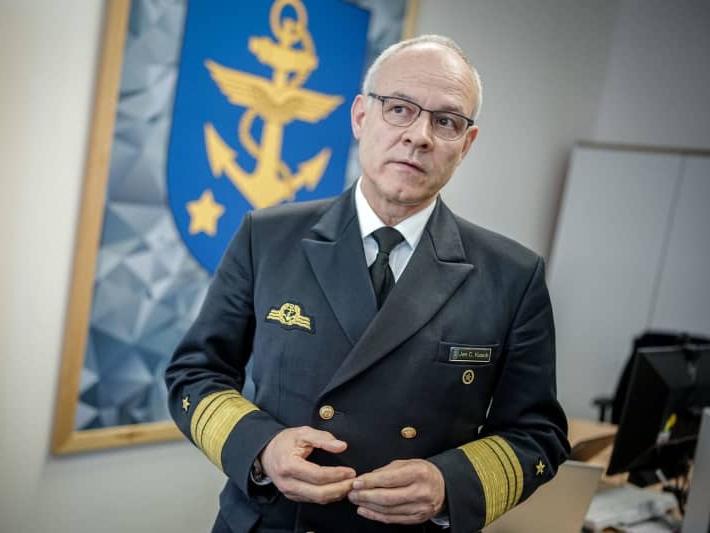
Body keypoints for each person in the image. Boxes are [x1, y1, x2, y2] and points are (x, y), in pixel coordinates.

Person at [165, 34, 570, 533]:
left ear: (465, 145)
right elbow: (195, 374)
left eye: (446, 121)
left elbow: (538, 433)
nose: (420, 135)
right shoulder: (266, 238)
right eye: (400, 108)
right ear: (361, 116)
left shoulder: (512, 275)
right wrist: (262, 448)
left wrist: (449, 484)